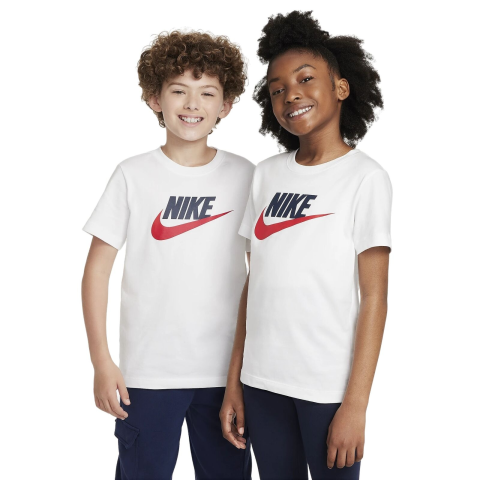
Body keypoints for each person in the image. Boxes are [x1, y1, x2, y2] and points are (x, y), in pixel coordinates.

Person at [220, 10, 392, 480]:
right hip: (261, 383)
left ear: (341, 87)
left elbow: (375, 298)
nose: (290, 93)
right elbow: (254, 283)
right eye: (277, 89)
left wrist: (355, 405)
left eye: (305, 78)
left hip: (327, 389)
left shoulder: (366, 178)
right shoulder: (266, 175)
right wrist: (234, 382)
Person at [81, 30, 253, 480]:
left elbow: (264, 274)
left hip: (228, 377)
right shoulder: (132, 175)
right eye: (179, 90)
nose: (192, 103)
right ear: (154, 98)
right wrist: (102, 362)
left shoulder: (246, 176)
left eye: (207, 93)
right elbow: (96, 272)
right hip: (148, 374)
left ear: (226, 105)